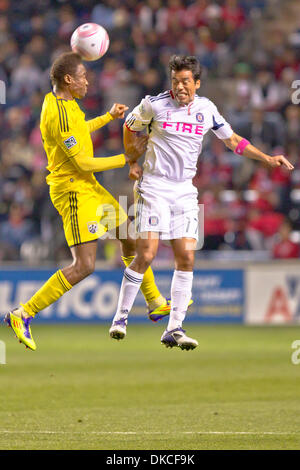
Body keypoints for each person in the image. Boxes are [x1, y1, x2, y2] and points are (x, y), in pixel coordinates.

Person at [109, 54, 294, 351]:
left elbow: (233, 141)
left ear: (197, 83)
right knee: (147, 253)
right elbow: (129, 127)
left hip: (184, 190)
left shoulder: (206, 109)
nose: (179, 87)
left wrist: (267, 159)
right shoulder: (153, 104)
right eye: (175, 81)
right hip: (154, 186)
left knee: (187, 257)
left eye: (185, 82)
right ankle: (120, 318)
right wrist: (132, 160)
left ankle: (174, 329)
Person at [4, 52, 171, 351]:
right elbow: (82, 162)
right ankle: (23, 313)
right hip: (73, 191)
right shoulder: (60, 114)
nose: (87, 81)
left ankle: (154, 302)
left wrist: (107, 118)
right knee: (84, 266)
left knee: (129, 237)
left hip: (87, 186)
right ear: (68, 79)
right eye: (82, 76)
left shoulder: (62, 102)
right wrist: (127, 158)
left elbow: (78, 132)